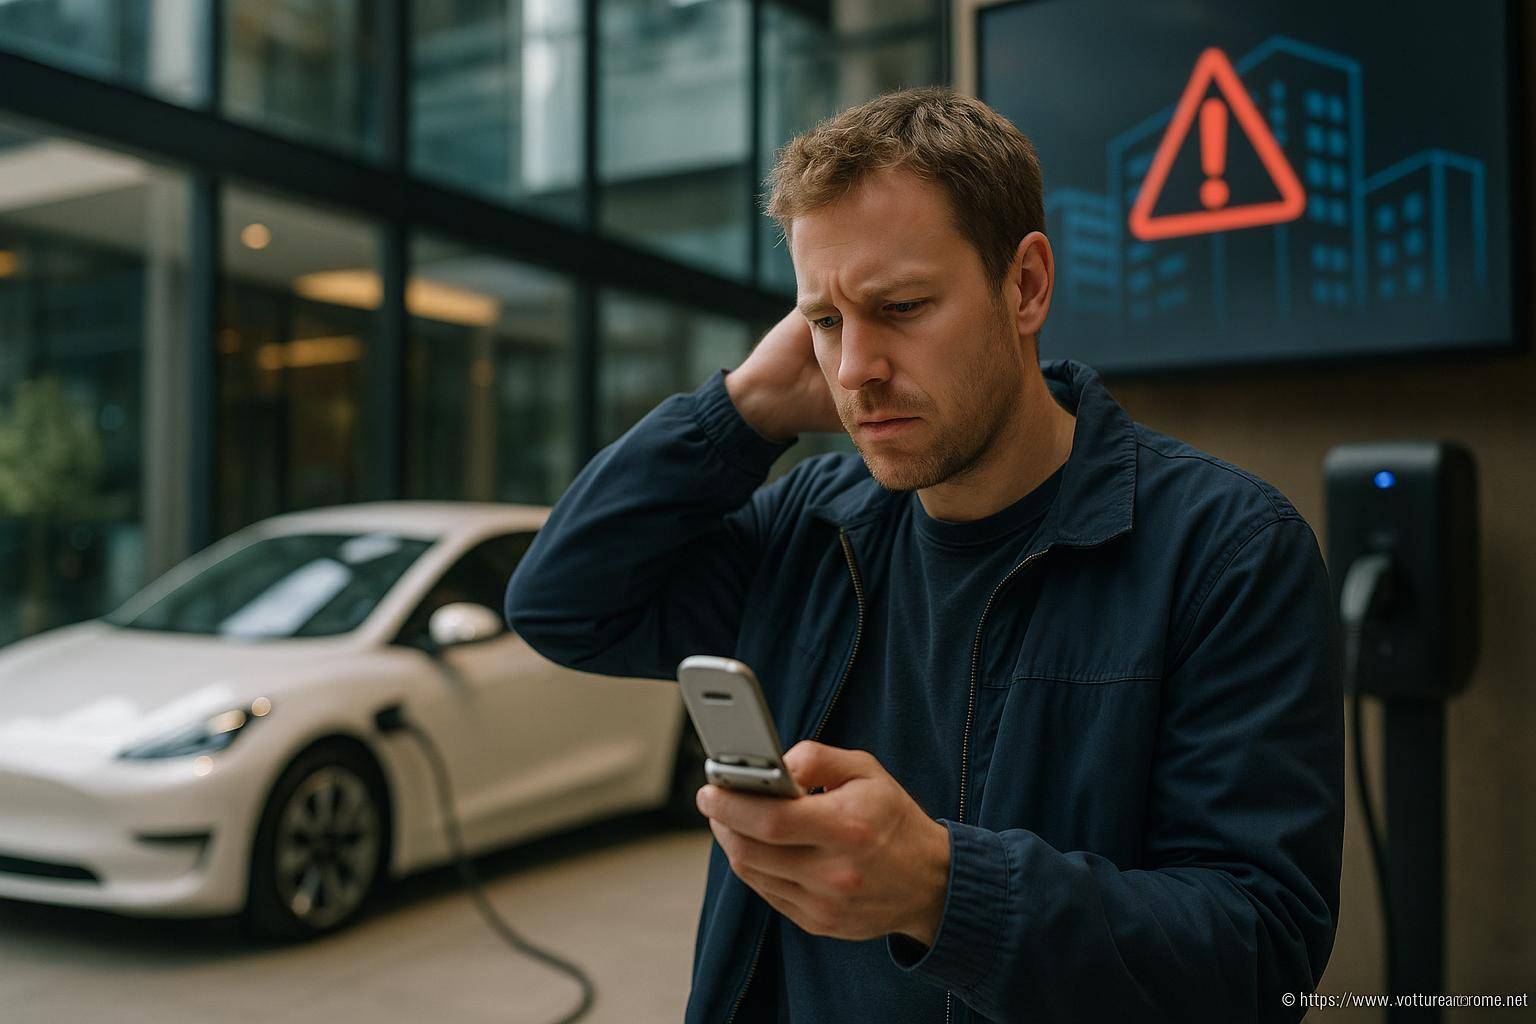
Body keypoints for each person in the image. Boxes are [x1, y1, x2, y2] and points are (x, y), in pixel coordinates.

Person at [505, 86, 1342, 1024]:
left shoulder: (1224, 551)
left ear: (1025, 286)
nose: (855, 366)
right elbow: (563, 605)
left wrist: (947, 893)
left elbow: (1262, 954)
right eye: (824, 322)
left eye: (900, 305)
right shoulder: (812, 525)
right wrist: (743, 409)